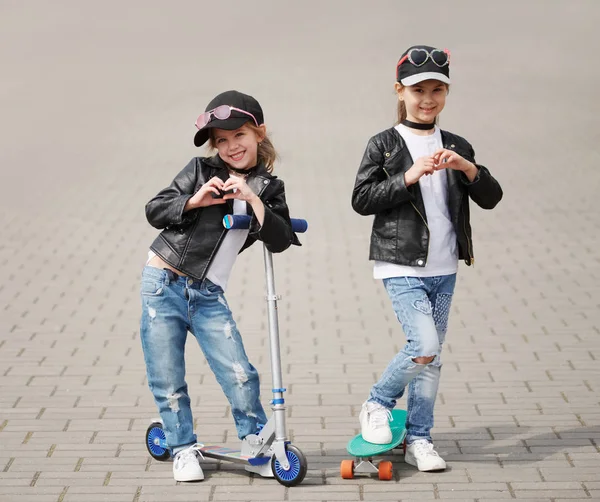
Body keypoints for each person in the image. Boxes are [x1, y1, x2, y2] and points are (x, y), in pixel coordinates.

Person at [351, 45, 503, 472]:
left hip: (444, 266)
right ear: (400, 91)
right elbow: (361, 199)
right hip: (400, 264)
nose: (428, 98)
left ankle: (420, 438)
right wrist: (408, 176)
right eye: (419, 90)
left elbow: (491, 197)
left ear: (447, 94)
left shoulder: (456, 144)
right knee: (425, 346)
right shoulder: (384, 144)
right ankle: (377, 403)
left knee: (432, 360)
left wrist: (468, 168)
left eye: (438, 89)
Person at [141, 90, 299, 482]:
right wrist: (193, 202)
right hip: (164, 283)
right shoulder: (199, 170)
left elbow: (279, 239)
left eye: (239, 136)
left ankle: (257, 444)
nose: (231, 147)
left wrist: (251, 198)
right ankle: (181, 448)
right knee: (168, 375)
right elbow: (154, 209)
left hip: (208, 295)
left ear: (259, 134)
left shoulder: (268, 187)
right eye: (221, 141)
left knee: (241, 373)